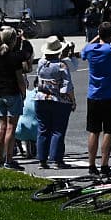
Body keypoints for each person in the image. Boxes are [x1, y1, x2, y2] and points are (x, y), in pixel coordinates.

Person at [81, 22, 111, 176]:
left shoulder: (90, 49)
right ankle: (104, 164)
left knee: (93, 131)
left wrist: (98, 35)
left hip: (93, 94)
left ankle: (91, 164)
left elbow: (84, 49)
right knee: (108, 131)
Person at [33, 37, 75, 170]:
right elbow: (67, 87)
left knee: (43, 129)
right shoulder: (61, 66)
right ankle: (57, 160)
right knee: (58, 130)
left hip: (41, 98)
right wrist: (72, 101)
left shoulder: (41, 63)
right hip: (58, 100)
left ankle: (42, 160)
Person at [0, 28, 27, 170]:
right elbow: (19, 79)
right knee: (11, 127)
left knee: (1, 127)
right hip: (12, 92)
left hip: (0, 92)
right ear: (13, 40)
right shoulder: (15, 57)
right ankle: (9, 160)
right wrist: (23, 93)